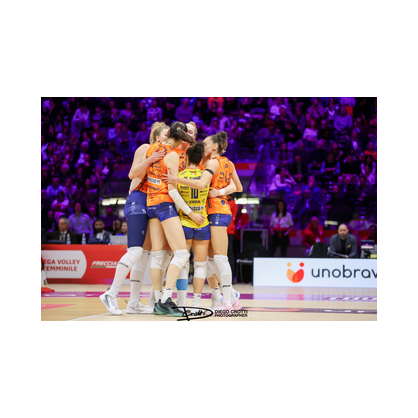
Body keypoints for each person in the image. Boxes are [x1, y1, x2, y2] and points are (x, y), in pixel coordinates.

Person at [165, 131, 244, 311]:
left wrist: (176, 179)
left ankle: (228, 300)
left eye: (206, 144)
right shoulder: (227, 162)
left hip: (216, 212)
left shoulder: (212, 163)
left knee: (219, 259)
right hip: (215, 212)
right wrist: (221, 192)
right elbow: (237, 186)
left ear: (215, 146)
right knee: (209, 261)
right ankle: (223, 297)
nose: (203, 146)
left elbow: (202, 184)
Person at [100, 122, 168, 316]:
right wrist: (150, 159)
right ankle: (111, 294)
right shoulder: (146, 148)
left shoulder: (167, 156)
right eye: (166, 134)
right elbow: (132, 174)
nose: (169, 138)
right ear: (157, 137)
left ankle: (133, 302)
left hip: (151, 204)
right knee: (136, 250)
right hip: (138, 199)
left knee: (144, 255)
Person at [147, 121, 202, 317]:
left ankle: (158, 300)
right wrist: (190, 213)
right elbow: (172, 190)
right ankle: (165, 300)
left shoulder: (153, 149)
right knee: (181, 254)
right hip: (164, 204)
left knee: (157, 255)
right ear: (181, 138)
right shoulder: (172, 154)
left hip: (150, 203)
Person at [175, 142, 212, 311]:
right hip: (202, 223)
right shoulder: (205, 176)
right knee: (200, 266)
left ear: (187, 158)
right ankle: (197, 304)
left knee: (183, 264)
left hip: (184, 223)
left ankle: (182, 302)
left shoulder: (180, 176)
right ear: (200, 160)